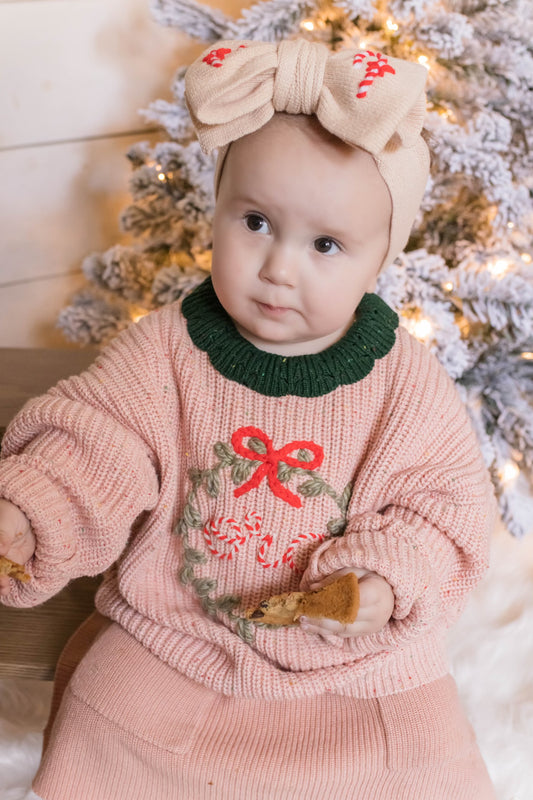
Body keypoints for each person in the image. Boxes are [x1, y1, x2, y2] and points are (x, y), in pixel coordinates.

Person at [0, 38, 497, 799]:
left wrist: (384, 579)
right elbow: (98, 443)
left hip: (353, 669)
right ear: (218, 209)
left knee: (425, 758)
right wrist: (34, 509)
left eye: (325, 244)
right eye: (256, 222)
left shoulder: (402, 380)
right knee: (104, 713)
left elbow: (441, 508)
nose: (278, 269)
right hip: (179, 639)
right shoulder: (165, 350)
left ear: (379, 261)